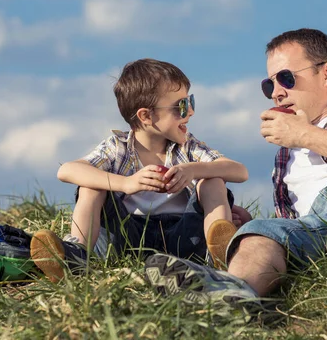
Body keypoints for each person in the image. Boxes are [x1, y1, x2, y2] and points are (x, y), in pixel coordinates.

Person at [143, 28, 327, 313]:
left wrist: (305, 135)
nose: (277, 94)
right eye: (269, 85)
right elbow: (295, 224)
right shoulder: (285, 155)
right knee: (257, 234)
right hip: (322, 227)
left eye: (286, 78)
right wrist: (257, 225)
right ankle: (231, 293)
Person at [31, 58, 250, 282]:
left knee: (212, 180)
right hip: (128, 238)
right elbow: (67, 170)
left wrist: (194, 170)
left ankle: (221, 254)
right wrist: (125, 183)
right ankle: (76, 255)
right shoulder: (118, 148)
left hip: (183, 237)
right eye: (181, 105)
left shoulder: (187, 148)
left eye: (190, 101)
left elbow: (239, 171)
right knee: (91, 185)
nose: (191, 112)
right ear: (145, 116)